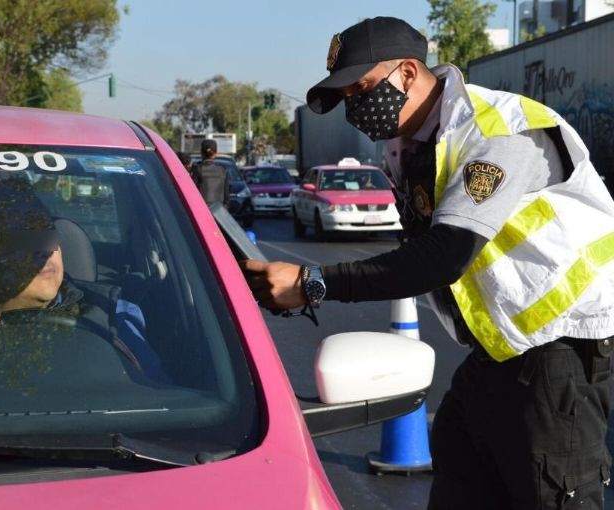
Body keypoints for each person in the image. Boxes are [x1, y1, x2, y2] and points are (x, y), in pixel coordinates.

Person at [242, 16, 614, 510]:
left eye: (363, 89)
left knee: (550, 493)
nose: (356, 107)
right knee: (458, 466)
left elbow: (444, 255)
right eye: (347, 98)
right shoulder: (408, 148)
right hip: (498, 350)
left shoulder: (496, 132)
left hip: (561, 347)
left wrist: (313, 282)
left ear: (408, 72)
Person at [0, 178, 169, 383]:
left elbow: (156, 399)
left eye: (46, 232)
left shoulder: (114, 316)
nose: (44, 249)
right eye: (18, 237)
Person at [193, 139, 230, 207]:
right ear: (216, 153)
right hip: (218, 211)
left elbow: (192, 193)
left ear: (201, 153)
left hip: (200, 209)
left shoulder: (197, 169)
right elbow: (226, 196)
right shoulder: (223, 170)